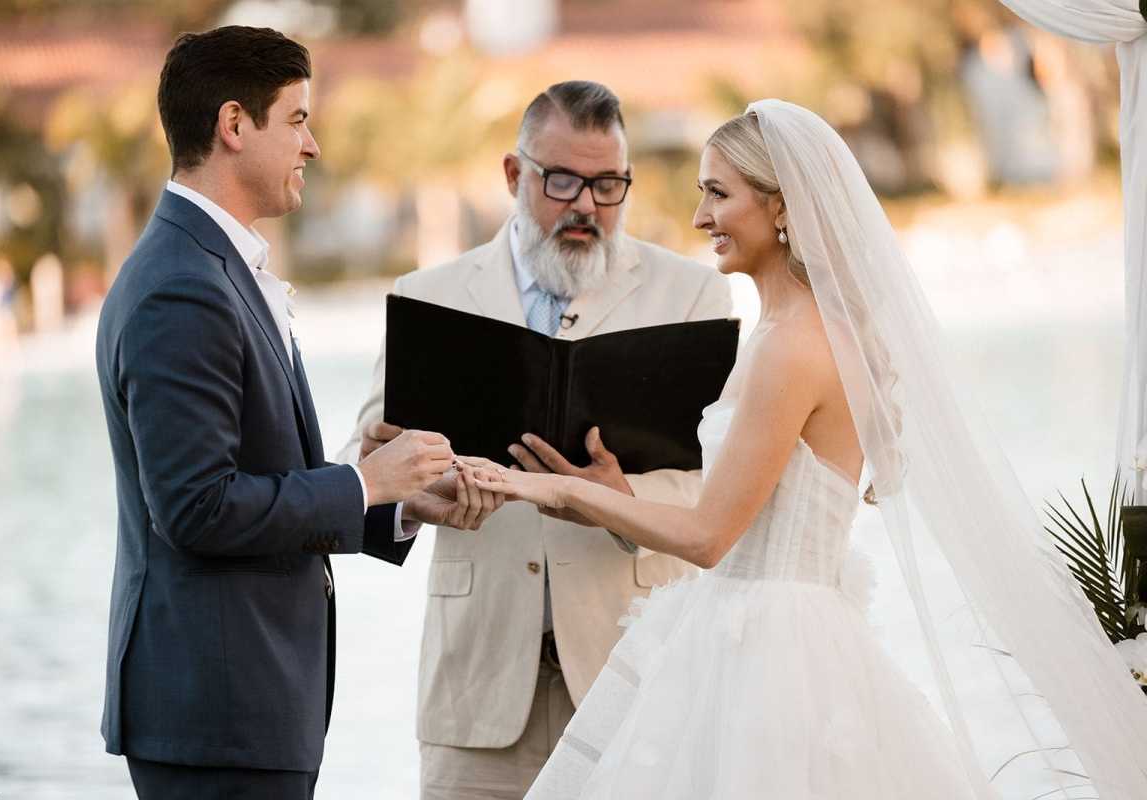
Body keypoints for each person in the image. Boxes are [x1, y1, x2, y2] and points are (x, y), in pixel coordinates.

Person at [478, 100, 1147, 798]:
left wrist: (554, 489)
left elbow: (708, 538)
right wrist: (615, 497)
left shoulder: (796, 346)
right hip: (766, 637)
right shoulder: (782, 330)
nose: (701, 217)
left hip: (769, 663)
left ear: (781, 208)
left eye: (718, 193)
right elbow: (737, 514)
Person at [94, 26, 498, 800]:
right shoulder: (183, 286)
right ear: (234, 125)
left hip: (249, 708)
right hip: (215, 712)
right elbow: (196, 507)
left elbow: (261, 478)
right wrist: (360, 483)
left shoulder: (217, 267)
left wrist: (396, 502)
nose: (313, 144)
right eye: (298, 119)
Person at [339, 80, 732, 798]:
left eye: (609, 185)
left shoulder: (693, 295)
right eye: (563, 182)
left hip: (636, 687)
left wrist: (621, 497)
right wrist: (414, 496)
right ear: (515, 175)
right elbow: (355, 467)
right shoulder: (427, 295)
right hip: (477, 702)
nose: (586, 205)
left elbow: (723, 488)